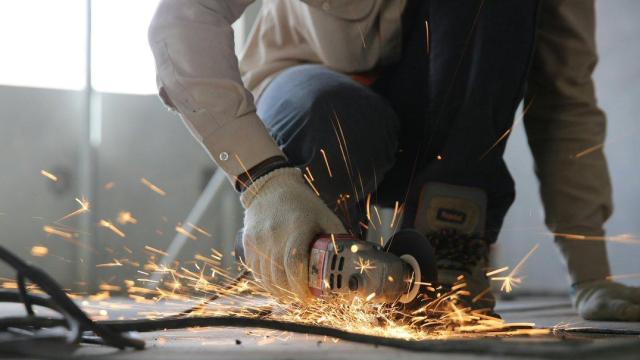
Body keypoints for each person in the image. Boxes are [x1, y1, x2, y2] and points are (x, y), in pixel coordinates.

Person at [148, 0, 640, 321]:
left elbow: (565, 100)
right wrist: (264, 181)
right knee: (332, 114)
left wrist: (591, 273)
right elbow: (184, 18)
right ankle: (313, 250)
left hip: (442, 142)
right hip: (315, 106)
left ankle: (448, 247)